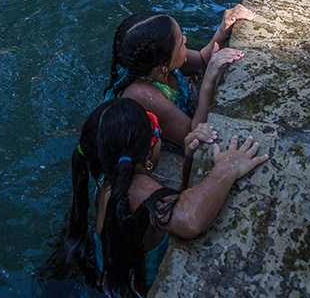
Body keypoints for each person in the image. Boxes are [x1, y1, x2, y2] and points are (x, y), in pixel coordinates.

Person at [43, 98, 268, 298]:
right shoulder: (137, 189)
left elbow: (167, 204)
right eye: (156, 132)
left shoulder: (107, 180)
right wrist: (226, 169)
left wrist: (189, 161)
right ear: (147, 156)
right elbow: (190, 219)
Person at [104, 6, 256, 141]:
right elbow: (192, 133)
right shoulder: (141, 94)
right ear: (164, 67)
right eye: (180, 42)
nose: (185, 39)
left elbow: (202, 60)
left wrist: (224, 29)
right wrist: (209, 80)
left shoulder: (159, 61)